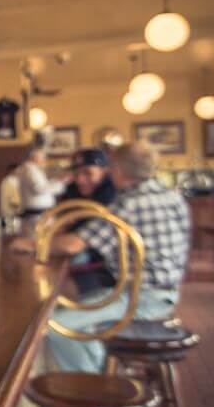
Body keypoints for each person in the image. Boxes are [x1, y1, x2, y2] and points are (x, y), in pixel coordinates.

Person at [44, 142, 190, 373]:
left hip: (139, 299)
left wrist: (36, 244)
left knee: (54, 326)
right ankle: (97, 375)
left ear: (119, 170)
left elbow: (73, 245)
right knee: (80, 316)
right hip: (167, 294)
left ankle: (90, 387)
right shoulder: (171, 196)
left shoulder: (130, 204)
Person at [59, 148, 117, 295]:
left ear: (105, 171)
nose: (80, 179)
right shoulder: (72, 191)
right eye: (76, 173)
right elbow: (62, 224)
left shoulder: (113, 196)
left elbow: (75, 243)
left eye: (87, 173)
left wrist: (37, 245)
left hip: (109, 273)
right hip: (89, 262)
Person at [16, 147, 65, 230]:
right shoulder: (30, 170)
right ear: (34, 158)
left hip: (40, 214)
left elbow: (44, 185)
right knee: (38, 240)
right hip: (38, 214)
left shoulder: (32, 169)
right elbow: (39, 189)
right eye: (42, 158)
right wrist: (61, 182)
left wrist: (57, 181)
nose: (44, 160)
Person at [0, 163, 22, 231]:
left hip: (12, 212)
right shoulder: (9, 182)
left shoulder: (14, 181)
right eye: (18, 170)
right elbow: (13, 199)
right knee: (10, 232)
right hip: (10, 213)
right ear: (12, 171)